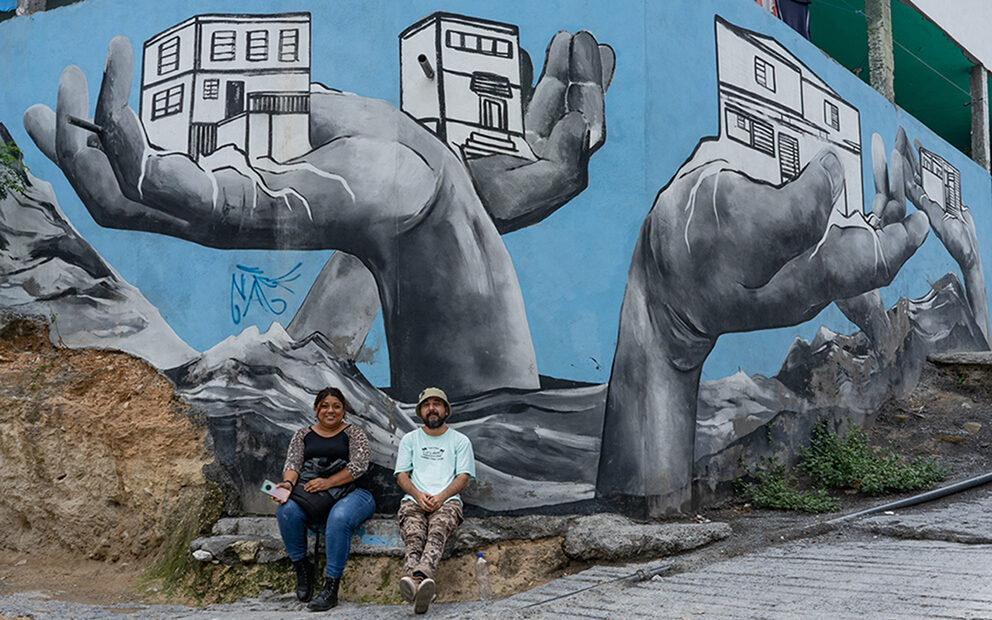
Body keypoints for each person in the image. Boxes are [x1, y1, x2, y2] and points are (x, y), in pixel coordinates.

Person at [271, 387, 376, 611]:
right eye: (325, 406)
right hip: (313, 494)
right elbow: (292, 464)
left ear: (344, 409)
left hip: (353, 493)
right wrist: (288, 484)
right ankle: (302, 568)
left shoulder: (354, 433)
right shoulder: (302, 434)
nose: (331, 411)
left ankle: (331, 588)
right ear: (316, 409)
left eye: (336, 406)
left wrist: (327, 482)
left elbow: (359, 466)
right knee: (285, 510)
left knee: (338, 519)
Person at [394, 387, 476, 614]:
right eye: (427, 404)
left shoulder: (460, 441)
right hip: (413, 499)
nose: (432, 408)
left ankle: (416, 579)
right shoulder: (410, 439)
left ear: (446, 410)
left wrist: (440, 497)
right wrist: (419, 495)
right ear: (420, 411)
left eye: (437, 404)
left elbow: (463, 477)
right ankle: (421, 586)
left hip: (448, 501)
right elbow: (402, 475)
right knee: (414, 534)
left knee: (437, 530)